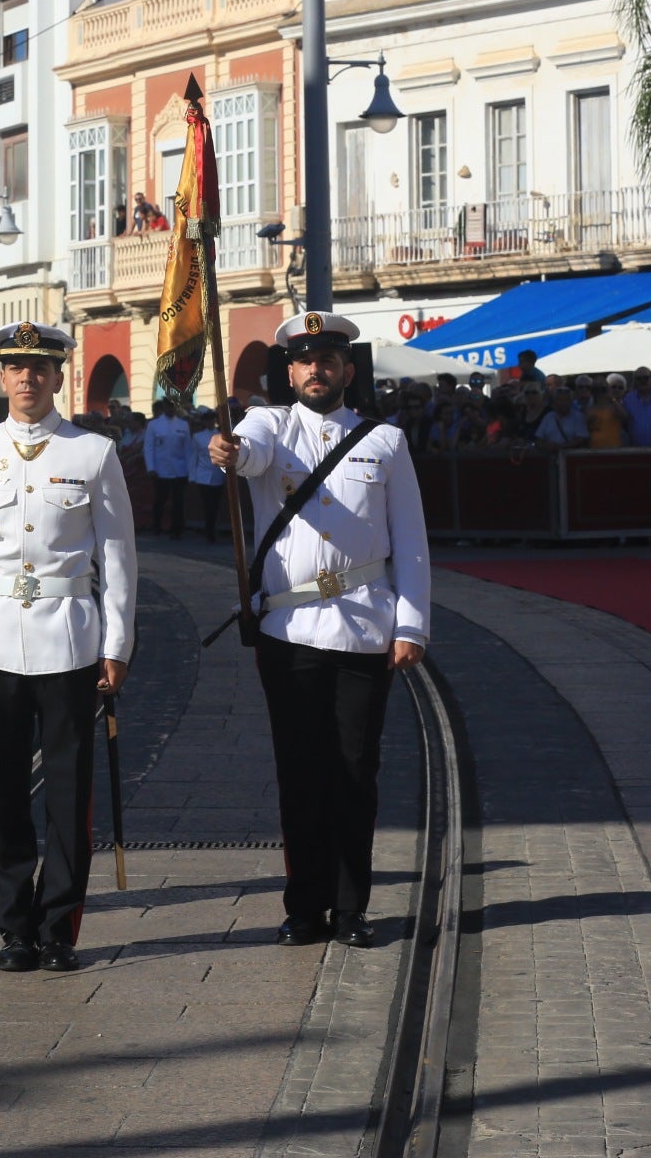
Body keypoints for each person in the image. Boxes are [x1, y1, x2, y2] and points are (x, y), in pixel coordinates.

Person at [209, 310, 431, 950]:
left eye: (328, 359)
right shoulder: (269, 425)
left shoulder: (383, 441)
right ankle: (304, 907)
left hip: (365, 625)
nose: (316, 369)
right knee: (300, 771)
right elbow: (244, 454)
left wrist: (411, 625)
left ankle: (351, 907)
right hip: (288, 625)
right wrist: (225, 449)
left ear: (347, 370)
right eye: (304, 359)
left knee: (355, 774)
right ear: (290, 369)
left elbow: (411, 542)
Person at [0, 321, 137, 974]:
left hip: (70, 639)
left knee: (68, 794)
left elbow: (118, 556)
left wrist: (118, 641)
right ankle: (15, 926)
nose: (26, 378)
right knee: (2, 793)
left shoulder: (92, 454)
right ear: (2, 376)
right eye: (15, 367)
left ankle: (59, 929)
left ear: (58, 376)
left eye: (39, 368)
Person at [144, 399, 191, 538]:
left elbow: (187, 449)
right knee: (160, 501)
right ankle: (157, 527)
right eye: (169, 406)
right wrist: (150, 467)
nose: (171, 408)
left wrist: (189, 470)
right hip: (160, 470)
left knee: (178, 502)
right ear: (164, 406)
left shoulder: (183, 425)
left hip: (179, 469)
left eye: (174, 406)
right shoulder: (154, 425)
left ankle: (177, 530)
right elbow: (149, 447)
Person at [187, 408, 228, 543]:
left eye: (212, 419)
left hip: (217, 475)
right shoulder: (197, 436)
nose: (210, 422)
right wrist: (192, 476)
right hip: (203, 475)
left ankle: (212, 528)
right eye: (207, 420)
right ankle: (209, 531)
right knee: (208, 505)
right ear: (204, 421)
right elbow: (193, 456)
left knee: (215, 505)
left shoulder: (221, 434)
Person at [533, 386, 591, 451]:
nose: (563, 403)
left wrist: (560, 447)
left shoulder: (578, 417)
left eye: (566, 400)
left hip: (571, 458)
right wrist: (546, 446)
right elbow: (538, 439)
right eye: (560, 400)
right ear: (555, 402)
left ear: (571, 402)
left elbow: (581, 439)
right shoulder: (548, 417)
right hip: (549, 458)